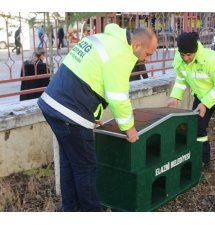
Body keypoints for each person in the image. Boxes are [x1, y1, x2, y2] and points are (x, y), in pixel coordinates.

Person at [37, 23, 158, 212]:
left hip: (52, 103)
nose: (148, 59)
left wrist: (93, 115)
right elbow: (117, 96)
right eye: (148, 54)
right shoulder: (122, 54)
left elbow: (93, 78)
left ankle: (71, 209)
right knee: (86, 167)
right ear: (136, 45)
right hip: (71, 112)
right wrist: (129, 128)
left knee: (70, 162)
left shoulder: (105, 39)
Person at [166, 32, 215, 186]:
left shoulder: (212, 59)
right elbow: (181, 79)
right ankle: (203, 161)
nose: (186, 58)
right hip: (203, 95)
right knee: (198, 129)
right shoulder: (179, 59)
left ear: (196, 50)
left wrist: (205, 103)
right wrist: (175, 97)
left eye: (189, 54)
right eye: (182, 54)